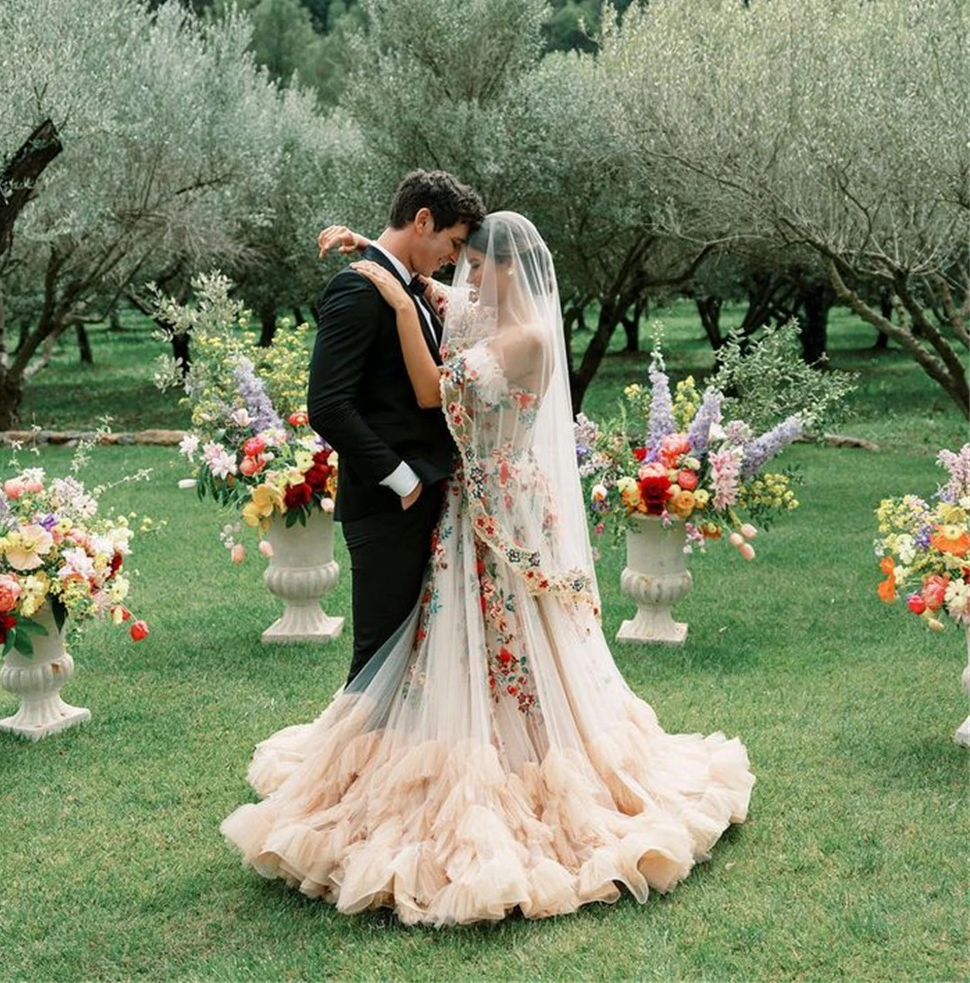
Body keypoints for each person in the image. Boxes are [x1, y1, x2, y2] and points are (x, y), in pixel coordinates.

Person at [222, 212, 754, 927]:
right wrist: (374, 256)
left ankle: (521, 758)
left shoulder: (529, 337)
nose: (460, 274)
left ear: (506, 269)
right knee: (450, 632)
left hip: (501, 506)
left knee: (513, 636)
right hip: (466, 502)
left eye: (473, 262)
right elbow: (437, 297)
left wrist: (389, 298)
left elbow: (431, 390)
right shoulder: (479, 307)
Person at [306, 169, 486, 686]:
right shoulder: (356, 289)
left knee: (411, 664)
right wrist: (402, 479)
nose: (454, 258)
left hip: (427, 497)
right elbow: (329, 406)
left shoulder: (411, 289)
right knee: (377, 659)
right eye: (452, 243)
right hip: (390, 504)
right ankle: (348, 767)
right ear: (423, 220)